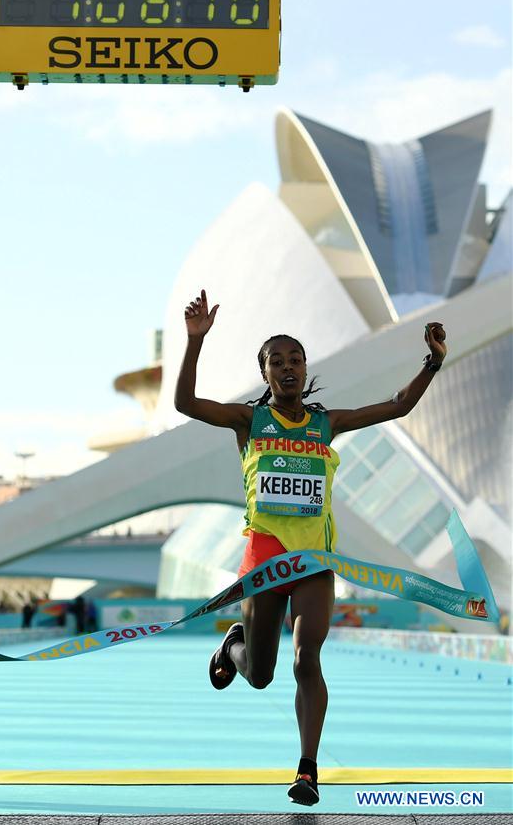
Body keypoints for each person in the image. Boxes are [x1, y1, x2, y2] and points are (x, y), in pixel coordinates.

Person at [174, 288, 447, 807]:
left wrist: (431, 363)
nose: (288, 367)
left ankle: (307, 770)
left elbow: (398, 406)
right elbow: (185, 404)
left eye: (295, 359)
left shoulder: (327, 423)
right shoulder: (248, 422)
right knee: (259, 676)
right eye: (276, 361)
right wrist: (195, 341)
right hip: (264, 561)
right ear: (265, 374)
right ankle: (234, 645)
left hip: (314, 564)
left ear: (305, 368)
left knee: (307, 660)